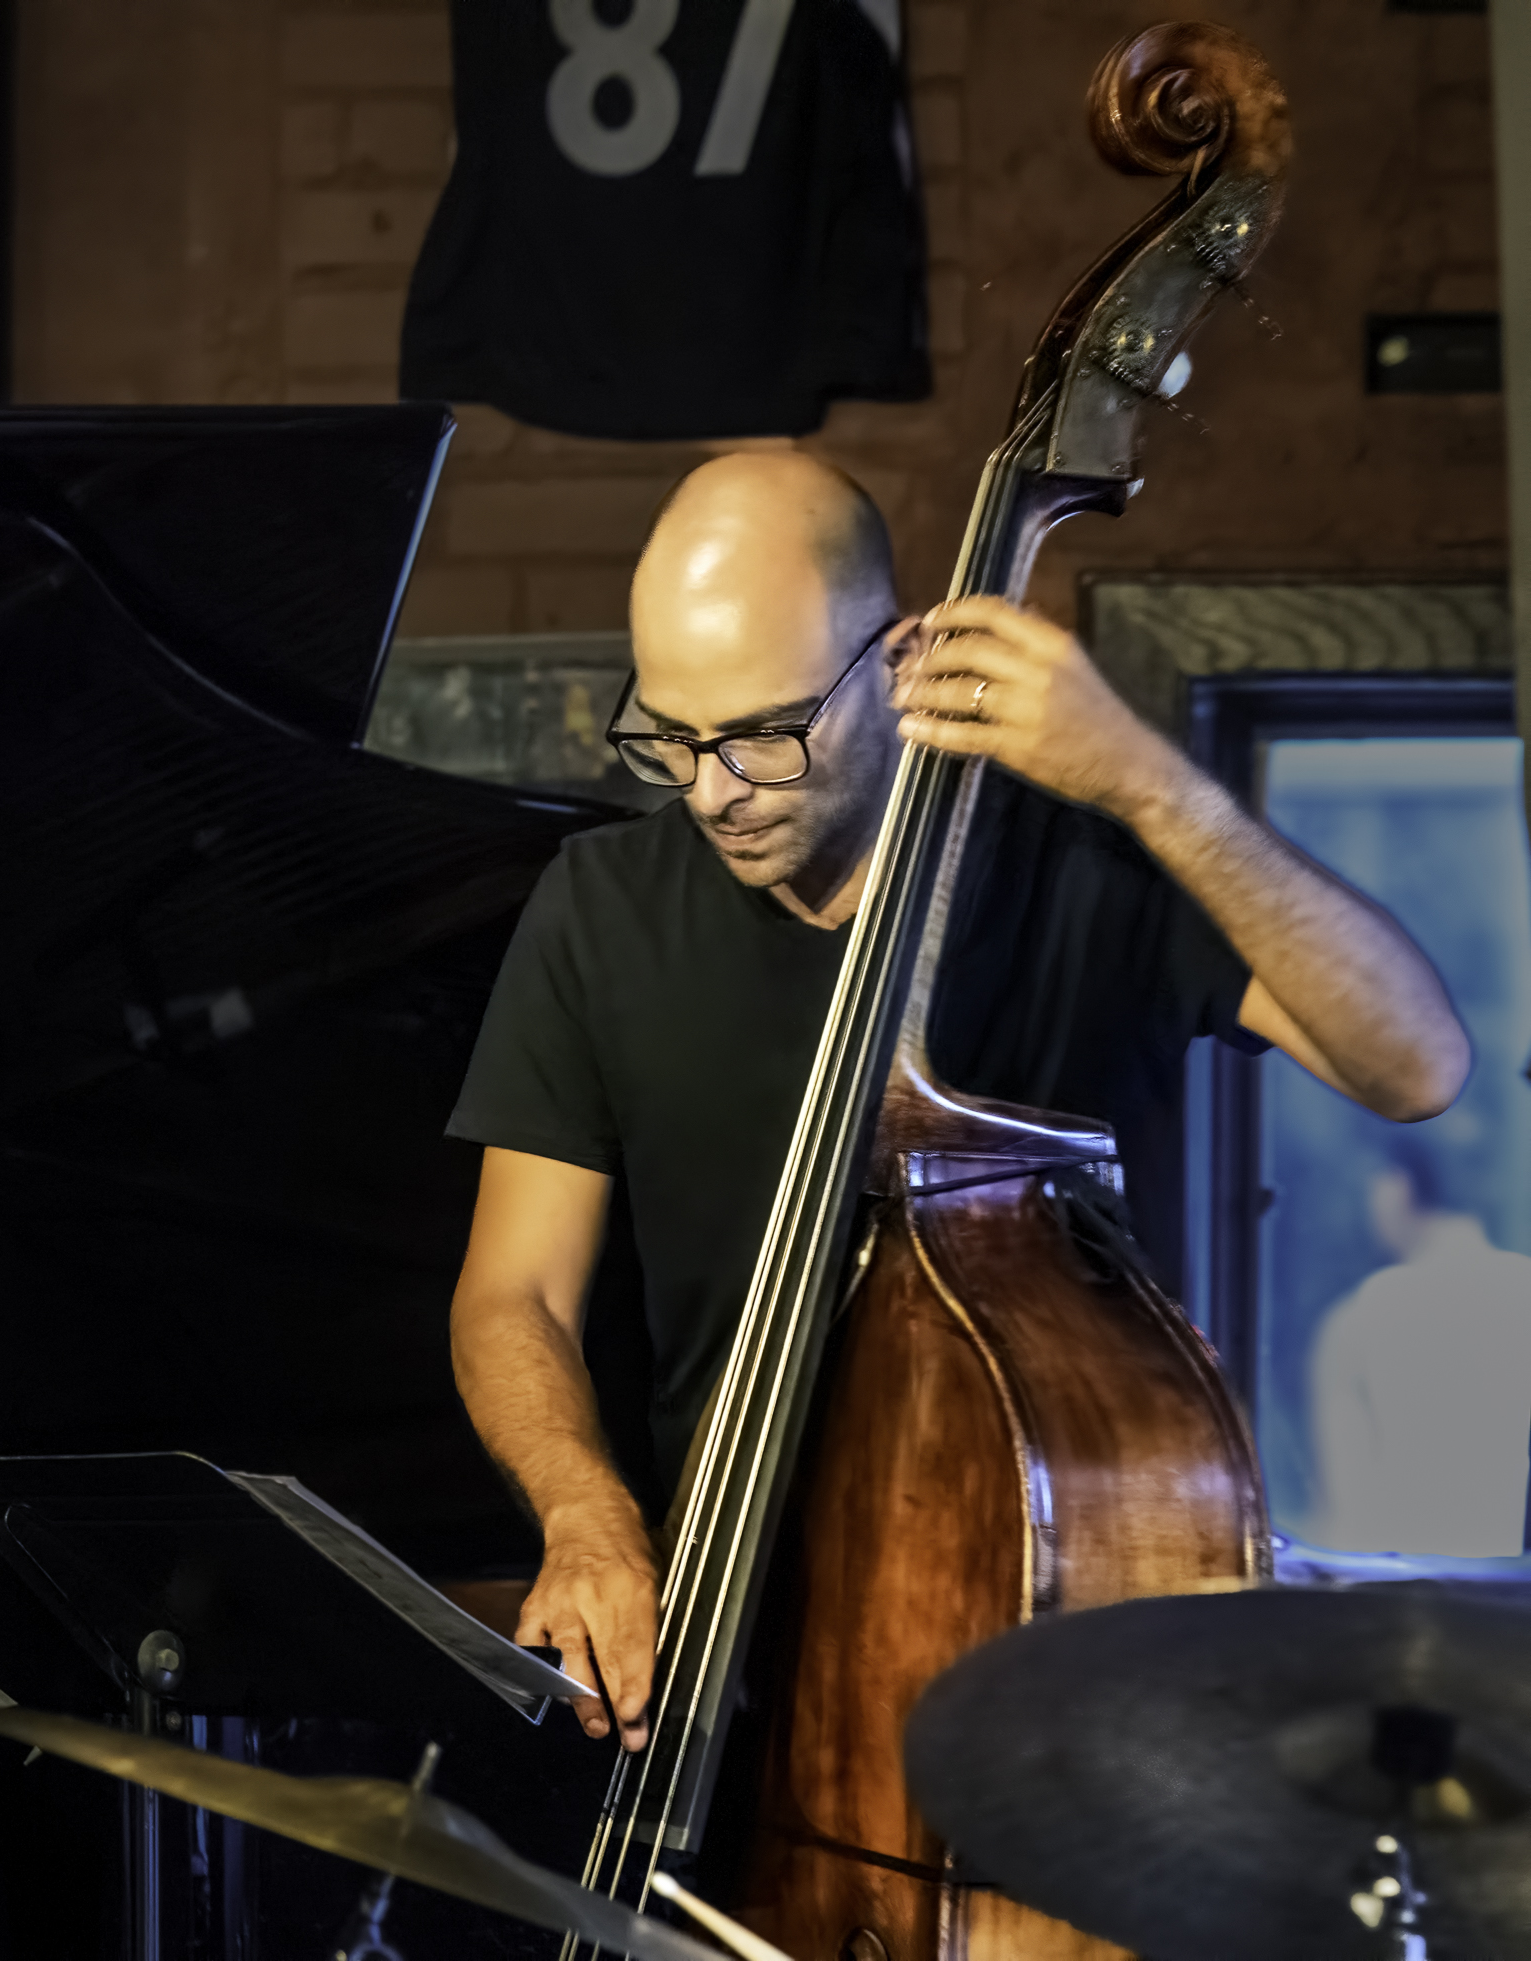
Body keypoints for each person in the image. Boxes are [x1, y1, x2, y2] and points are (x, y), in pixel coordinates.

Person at [446, 453, 1470, 1751]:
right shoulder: (599, 911)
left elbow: (1419, 1063)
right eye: (672, 734)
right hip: (733, 1657)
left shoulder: (1091, 870)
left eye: (762, 734)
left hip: (1057, 1653)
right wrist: (585, 1513)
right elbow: (514, 1294)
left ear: (894, 660)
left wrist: (1156, 789)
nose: (711, 790)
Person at [1310, 1143, 1531, 1557]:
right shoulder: (1525, 1291)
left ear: (1397, 1188)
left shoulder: (1359, 1316)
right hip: (1515, 1601)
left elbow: (1346, 1510)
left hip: (1406, 1602)